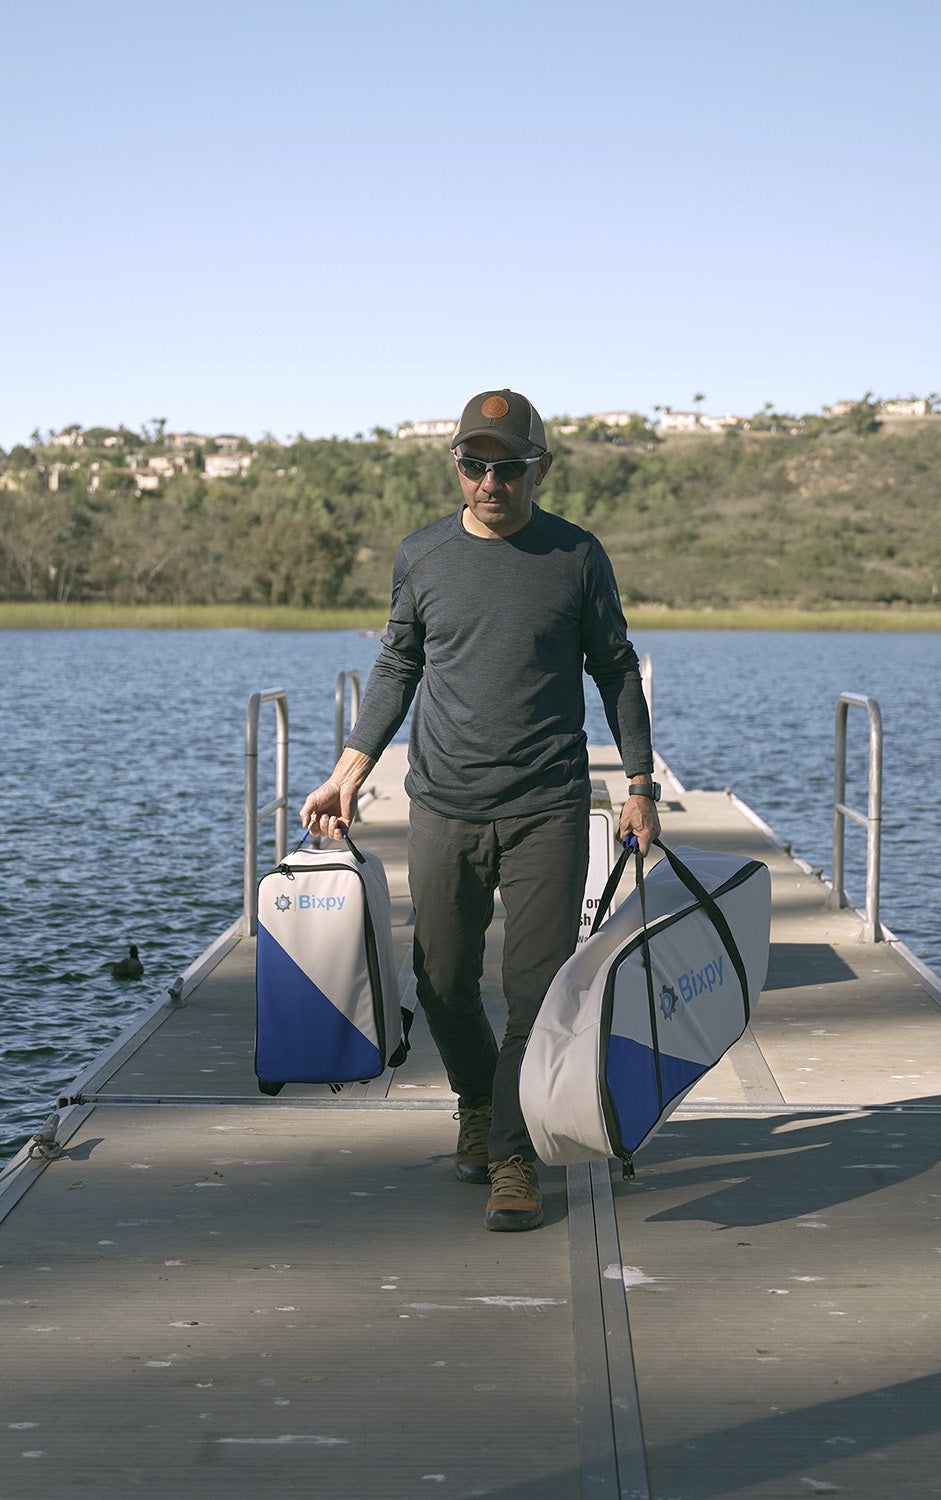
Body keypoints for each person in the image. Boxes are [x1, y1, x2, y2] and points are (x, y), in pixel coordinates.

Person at [300, 388, 659, 1232]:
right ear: (456, 467)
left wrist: (639, 784)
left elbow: (615, 669)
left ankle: (512, 1151)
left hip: (547, 804)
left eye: (508, 467)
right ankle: (476, 1098)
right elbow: (397, 666)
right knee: (442, 980)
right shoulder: (422, 557)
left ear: (542, 466)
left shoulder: (575, 555)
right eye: (474, 465)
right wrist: (350, 768)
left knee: (533, 989)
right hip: (445, 803)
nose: (490, 482)